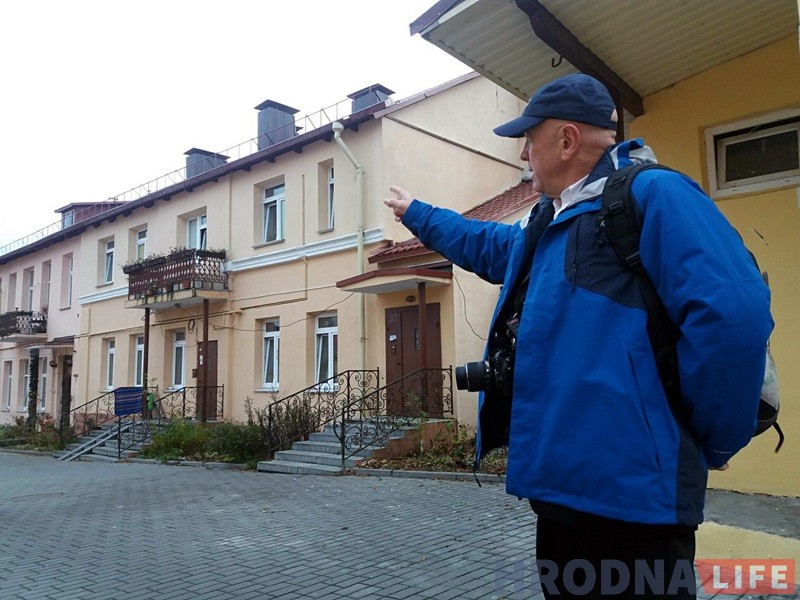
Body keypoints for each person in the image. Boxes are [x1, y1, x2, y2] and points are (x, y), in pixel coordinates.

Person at [384, 73, 773, 599]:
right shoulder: (552, 220)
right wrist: (418, 214)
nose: (523, 154)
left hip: (634, 513)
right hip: (560, 501)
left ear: (566, 140)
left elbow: (734, 316)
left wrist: (714, 434)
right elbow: (487, 244)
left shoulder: (654, 194)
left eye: (529, 139)